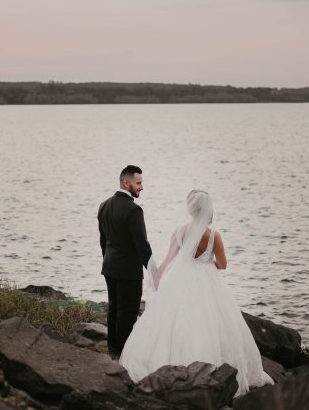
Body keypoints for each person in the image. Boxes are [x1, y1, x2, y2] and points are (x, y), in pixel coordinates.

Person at [120, 189, 274, 396]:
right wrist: (207, 261)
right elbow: (223, 265)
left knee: (173, 321)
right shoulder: (214, 236)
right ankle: (213, 372)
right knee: (212, 322)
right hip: (207, 279)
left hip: (180, 278)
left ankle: (167, 367)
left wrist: (157, 278)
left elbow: (168, 260)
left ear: (191, 210)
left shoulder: (179, 232)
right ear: (207, 210)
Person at [98, 165, 153, 357]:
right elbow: (142, 245)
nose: (141, 187)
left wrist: (109, 260)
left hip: (110, 267)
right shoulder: (134, 210)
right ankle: (123, 354)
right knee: (128, 313)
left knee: (114, 309)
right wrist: (154, 271)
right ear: (126, 182)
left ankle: (112, 349)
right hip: (129, 271)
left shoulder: (103, 205)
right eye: (138, 183)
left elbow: (103, 241)